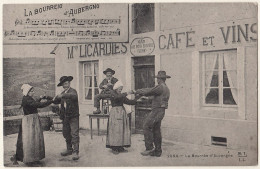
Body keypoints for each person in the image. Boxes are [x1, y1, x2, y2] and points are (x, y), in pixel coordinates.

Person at [10, 84, 53, 165]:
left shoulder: (28, 98)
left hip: (33, 120)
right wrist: (51, 101)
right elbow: (38, 105)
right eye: (31, 91)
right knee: (30, 140)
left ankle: (33, 158)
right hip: (29, 122)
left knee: (34, 139)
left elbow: (35, 103)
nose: (33, 92)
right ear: (27, 92)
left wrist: (40, 98)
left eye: (33, 91)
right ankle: (29, 160)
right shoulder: (26, 99)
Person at [135, 71, 171, 157]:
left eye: (157, 78)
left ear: (159, 79)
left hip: (156, 111)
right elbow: (157, 97)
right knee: (156, 130)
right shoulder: (166, 87)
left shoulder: (160, 87)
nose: (157, 80)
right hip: (161, 111)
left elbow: (149, 90)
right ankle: (158, 151)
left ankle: (149, 148)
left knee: (146, 126)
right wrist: (147, 98)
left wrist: (136, 91)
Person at [106, 81, 139, 155]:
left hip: (122, 112)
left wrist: (137, 99)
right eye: (120, 88)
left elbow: (130, 102)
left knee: (122, 129)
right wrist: (127, 93)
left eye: (121, 88)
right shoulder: (112, 93)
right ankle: (114, 147)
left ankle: (120, 146)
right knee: (116, 130)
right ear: (116, 88)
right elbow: (118, 97)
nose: (120, 90)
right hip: (115, 112)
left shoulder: (121, 95)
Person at [52, 76, 80, 161]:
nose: (66, 84)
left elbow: (73, 96)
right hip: (65, 117)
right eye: (64, 83)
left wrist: (62, 95)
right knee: (66, 133)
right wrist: (48, 98)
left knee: (74, 134)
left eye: (67, 82)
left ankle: (76, 152)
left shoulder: (73, 91)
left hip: (73, 117)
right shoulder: (63, 93)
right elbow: (56, 101)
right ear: (62, 85)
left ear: (69, 83)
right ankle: (69, 149)